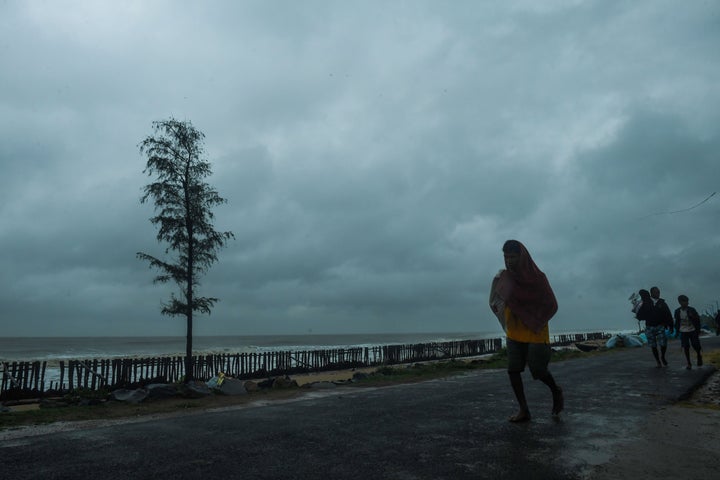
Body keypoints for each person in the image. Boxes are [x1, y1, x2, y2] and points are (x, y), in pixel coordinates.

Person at [489, 239, 563, 423]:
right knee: (513, 370)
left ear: (522, 257)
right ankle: (524, 409)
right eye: (506, 257)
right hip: (514, 330)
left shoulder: (538, 278)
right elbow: (497, 300)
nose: (509, 261)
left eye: (513, 257)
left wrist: (534, 316)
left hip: (535, 330)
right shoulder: (504, 277)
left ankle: (556, 390)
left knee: (538, 370)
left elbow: (551, 304)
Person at [646, 286, 674, 367]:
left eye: (659, 292)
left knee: (663, 344)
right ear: (651, 293)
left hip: (660, 326)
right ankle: (658, 361)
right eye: (656, 292)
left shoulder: (662, 303)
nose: (658, 293)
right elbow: (640, 312)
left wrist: (671, 326)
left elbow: (668, 314)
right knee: (653, 345)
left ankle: (662, 356)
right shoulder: (646, 302)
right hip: (649, 327)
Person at [674, 295, 703, 369]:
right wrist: (677, 331)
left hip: (692, 330)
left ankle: (699, 355)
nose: (686, 303)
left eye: (687, 301)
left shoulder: (692, 310)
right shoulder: (677, 311)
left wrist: (698, 330)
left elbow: (697, 320)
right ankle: (689, 363)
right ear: (680, 302)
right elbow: (677, 322)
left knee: (695, 344)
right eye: (684, 301)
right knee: (686, 346)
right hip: (683, 331)